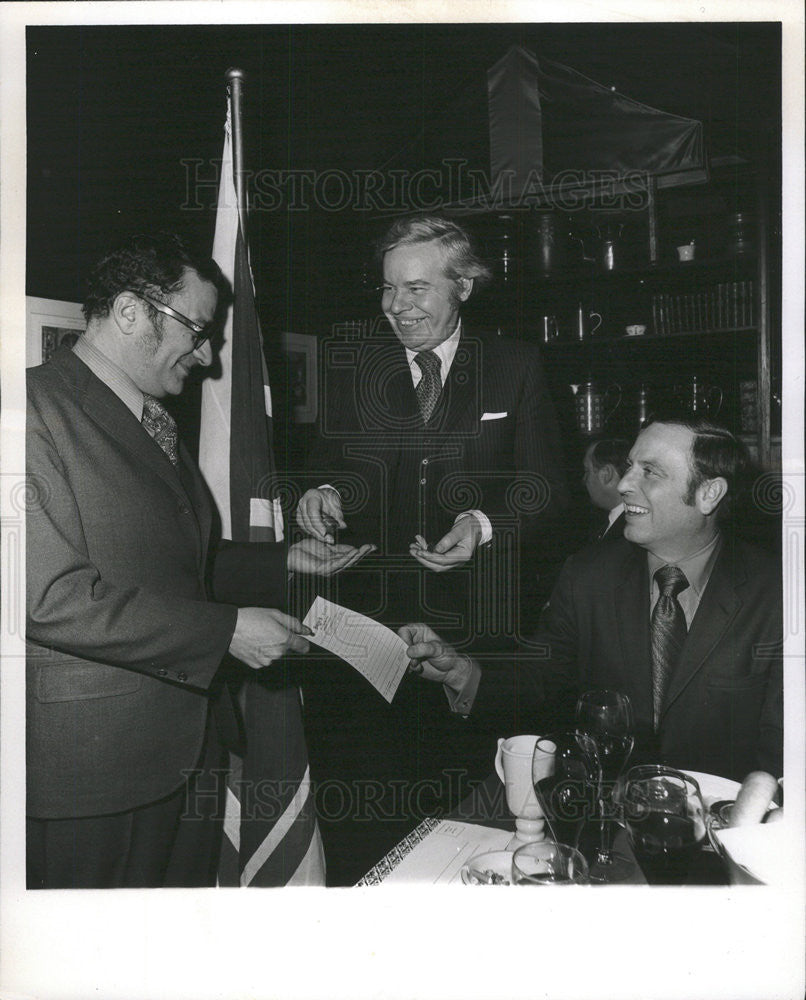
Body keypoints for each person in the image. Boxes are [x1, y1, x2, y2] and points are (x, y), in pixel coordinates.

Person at [26, 232, 372, 889]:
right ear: (131, 313)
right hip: (92, 786)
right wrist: (228, 632)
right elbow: (46, 598)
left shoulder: (150, 418)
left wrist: (283, 562)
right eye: (197, 328)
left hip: (188, 756)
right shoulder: (29, 413)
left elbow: (182, 563)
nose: (209, 355)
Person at [294, 214, 568, 883]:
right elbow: (321, 463)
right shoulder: (353, 362)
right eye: (389, 289)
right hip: (358, 644)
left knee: (463, 832)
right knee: (361, 830)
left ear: (464, 288)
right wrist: (319, 492)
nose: (397, 305)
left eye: (417, 288)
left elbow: (552, 494)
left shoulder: (516, 365)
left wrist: (483, 524)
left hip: (471, 646)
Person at [402, 413, 783, 783]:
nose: (623, 484)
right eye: (630, 465)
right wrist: (460, 672)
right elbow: (540, 680)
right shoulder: (587, 575)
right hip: (607, 822)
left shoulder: (777, 593)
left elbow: (783, 748)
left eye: (650, 472)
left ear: (709, 493)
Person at [581, 437, 630, 540]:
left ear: (606, 474)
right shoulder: (621, 522)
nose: (584, 480)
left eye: (587, 471)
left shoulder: (628, 533)